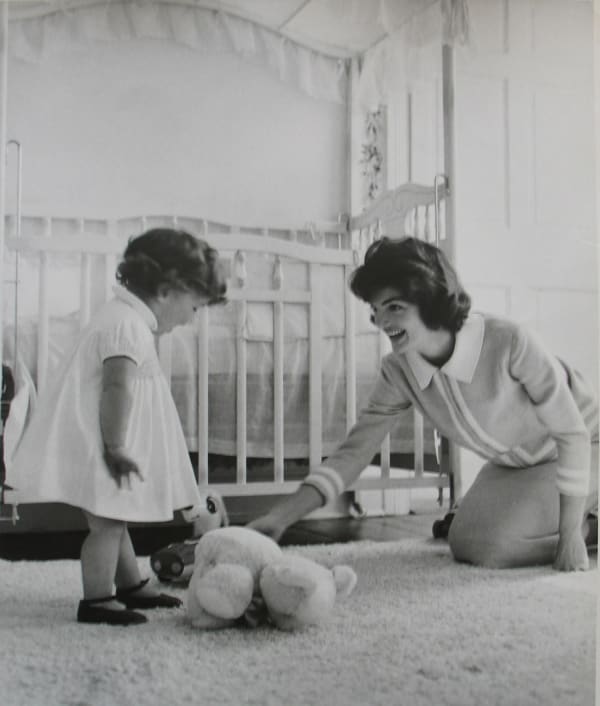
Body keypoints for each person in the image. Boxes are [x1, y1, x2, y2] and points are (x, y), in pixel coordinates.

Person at [248, 236, 598, 572]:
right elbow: (352, 455)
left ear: (430, 300)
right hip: (519, 464)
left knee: (492, 548)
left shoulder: (509, 340)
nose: (382, 323)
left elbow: (573, 434)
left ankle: (588, 528)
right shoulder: (399, 370)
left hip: (586, 445)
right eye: (375, 310)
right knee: (465, 542)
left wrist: (569, 537)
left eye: (395, 307)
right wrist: (280, 517)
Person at [8, 228, 227, 625]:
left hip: (107, 442)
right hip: (104, 444)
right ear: (167, 289)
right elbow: (116, 387)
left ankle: (130, 586)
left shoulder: (126, 318)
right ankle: (97, 600)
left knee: (115, 516)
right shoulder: (126, 326)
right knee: (107, 525)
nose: (191, 319)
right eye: (194, 307)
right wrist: (115, 447)